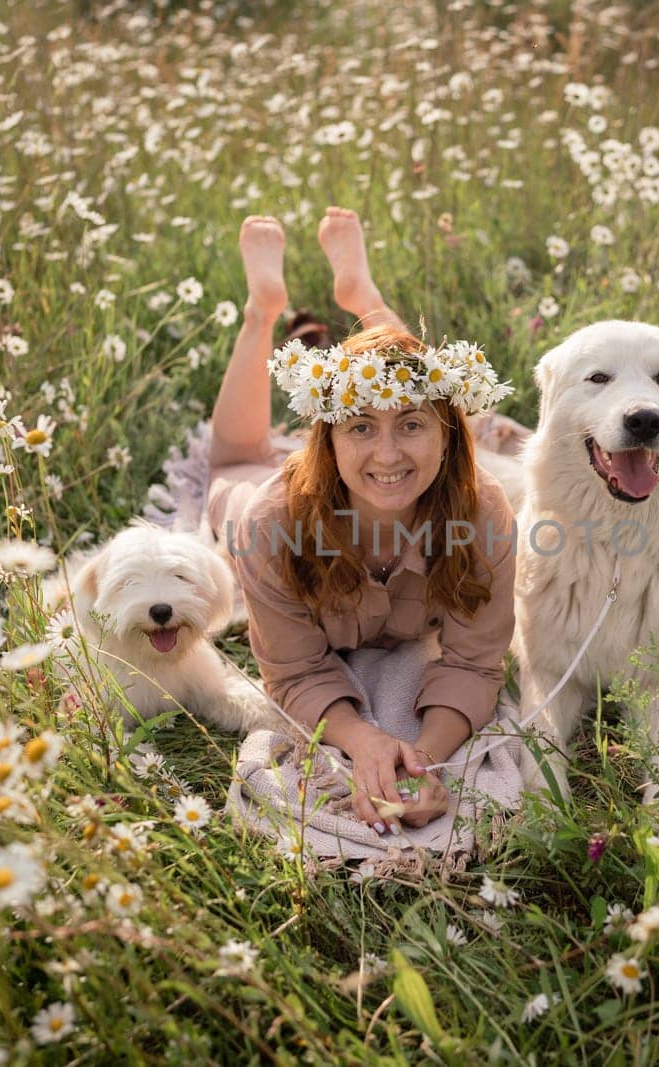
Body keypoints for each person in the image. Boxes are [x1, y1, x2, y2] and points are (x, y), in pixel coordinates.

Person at [200, 208, 520, 838]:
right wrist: (360, 739)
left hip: (405, 456)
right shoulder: (270, 523)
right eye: (360, 427)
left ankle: (360, 295)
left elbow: (478, 662)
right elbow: (294, 672)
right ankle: (262, 312)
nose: (388, 453)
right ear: (326, 439)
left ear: (449, 435)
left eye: (411, 425)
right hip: (275, 499)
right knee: (232, 462)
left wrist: (422, 754)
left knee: (402, 376)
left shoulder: (481, 511)